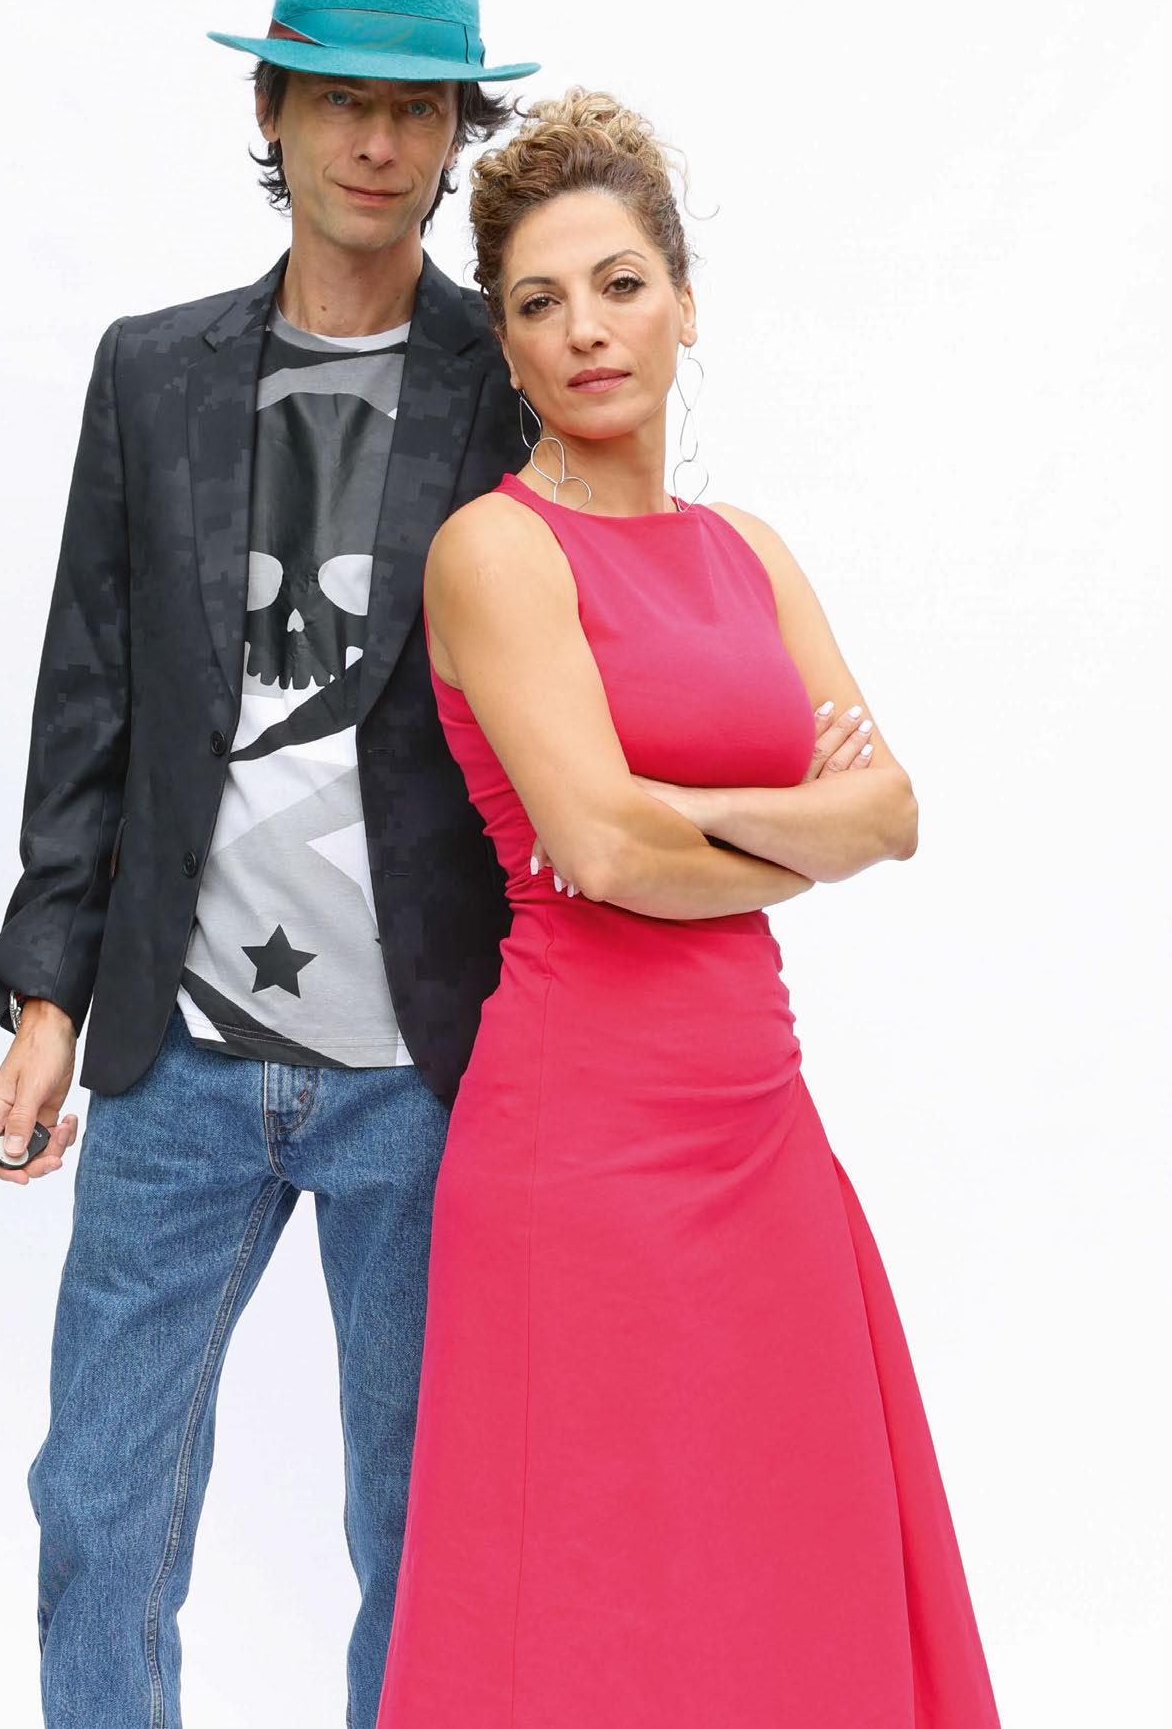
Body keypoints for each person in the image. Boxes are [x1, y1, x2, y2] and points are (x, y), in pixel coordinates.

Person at [374, 88, 1004, 1727]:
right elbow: (601, 851)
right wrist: (787, 834)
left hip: (762, 1124)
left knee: (788, 1579)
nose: (586, 329)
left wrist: (698, 811)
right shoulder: (494, 555)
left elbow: (895, 811)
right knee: (588, 1606)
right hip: (579, 1142)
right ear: (508, 353)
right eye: (538, 304)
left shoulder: (748, 552)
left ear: (686, 306)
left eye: (621, 284)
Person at [0, 0, 538, 1728]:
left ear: (455, 133)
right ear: (274, 112)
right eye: (340, 100)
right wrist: (47, 1003)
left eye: (417, 107)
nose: (378, 142)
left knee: (428, 1536)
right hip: (175, 1064)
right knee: (99, 1511)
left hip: (431, 1071)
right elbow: (92, 699)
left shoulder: (513, 381)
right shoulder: (154, 374)